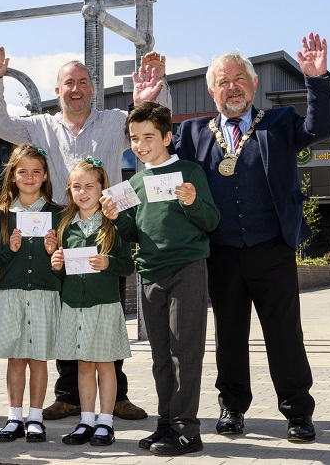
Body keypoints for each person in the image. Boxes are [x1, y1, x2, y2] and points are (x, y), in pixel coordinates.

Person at [0, 45, 166, 421]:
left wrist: (148, 100)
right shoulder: (41, 126)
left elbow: (151, 127)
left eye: (83, 82)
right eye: (69, 83)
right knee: (68, 308)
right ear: (57, 89)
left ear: (93, 88)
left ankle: (116, 397)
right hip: (62, 230)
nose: (76, 89)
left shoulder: (117, 121)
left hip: (104, 228)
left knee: (107, 307)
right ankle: (68, 395)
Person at [169, 33, 330, 443]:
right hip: (220, 253)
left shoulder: (279, 123)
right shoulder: (192, 133)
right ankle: (232, 409)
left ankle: (298, 413)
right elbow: (151, 148)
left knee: (284, 334)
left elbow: (321, 126)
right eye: (223, 81)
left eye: (240, 78)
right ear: (212, 90)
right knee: (229, 335)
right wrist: (144, 100)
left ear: (254, 84)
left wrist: (317, 79)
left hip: (272, 249)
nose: (232, 86)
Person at [104, 101, 220, 456]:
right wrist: (115, 217)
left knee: (185, 352)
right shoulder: (135, 183)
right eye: (135, 138)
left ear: (168, 137)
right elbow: (136, 233)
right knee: (159, 357)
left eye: (148, 137)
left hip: (187, 269)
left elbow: (211, 221)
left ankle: (188, 430)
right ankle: (166, 423)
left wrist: (192, 202)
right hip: (149, 274)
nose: (140, 145)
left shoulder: (189, 172)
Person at [50, 158, 135, 447]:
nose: (83, 192)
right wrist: (56, 263)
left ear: (102, 189)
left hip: (104, 306)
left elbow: (127, 266)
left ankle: (106, 422)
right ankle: (86, 421)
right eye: (76, 186)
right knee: (84, 365)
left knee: (105, 364)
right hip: (74, 306)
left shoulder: (114, 225)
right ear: (70, 190)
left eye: (90, 186)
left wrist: (108, 262)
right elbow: (59, 272)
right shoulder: (65, 227)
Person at [0, 144, 62, 443]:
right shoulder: (3, 214)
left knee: (38, 359)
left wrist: (55, 252)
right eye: (22, 171)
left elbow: (65, 265)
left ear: (44, 177)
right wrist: (9, 249)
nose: (29, 177)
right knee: (16, 358)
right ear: (13, 176)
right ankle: (14, 417)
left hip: (44, 294)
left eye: (36, 171)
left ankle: (36, 419)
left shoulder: (58, 213)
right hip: (13, 294)